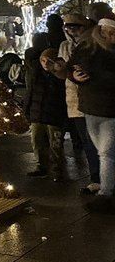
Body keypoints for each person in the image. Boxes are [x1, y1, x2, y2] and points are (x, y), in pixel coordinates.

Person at [56, 16, 115, 212]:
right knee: (103, 151)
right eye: (107, 32)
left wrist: (95, 77)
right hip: (90, 107)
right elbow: (71, 68)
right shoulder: (87, 47)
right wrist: (75, 75)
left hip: (110, 109)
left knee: (106, 153)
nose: (109, 36)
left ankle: (106, 194)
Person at [56, 13, 101, 194]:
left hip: (96, 100)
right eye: (67, 26)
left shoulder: (93, 43)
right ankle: (96, 178)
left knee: (102, 142)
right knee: (88, 142)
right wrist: (59, 69)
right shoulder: (65, 46)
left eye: (75, 26)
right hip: (75, 101)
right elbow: (63, 72)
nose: (71, 30)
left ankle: (106, 178)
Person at [22, 15, 68, 180]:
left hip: (53, 114)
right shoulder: (35, 73)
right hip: (38, 112)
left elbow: (60, 91)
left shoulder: (57, 75)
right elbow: (31, 92)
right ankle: (41, 165)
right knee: (38, 141)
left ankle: (57, 169)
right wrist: (27, 110)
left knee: (55, 143)